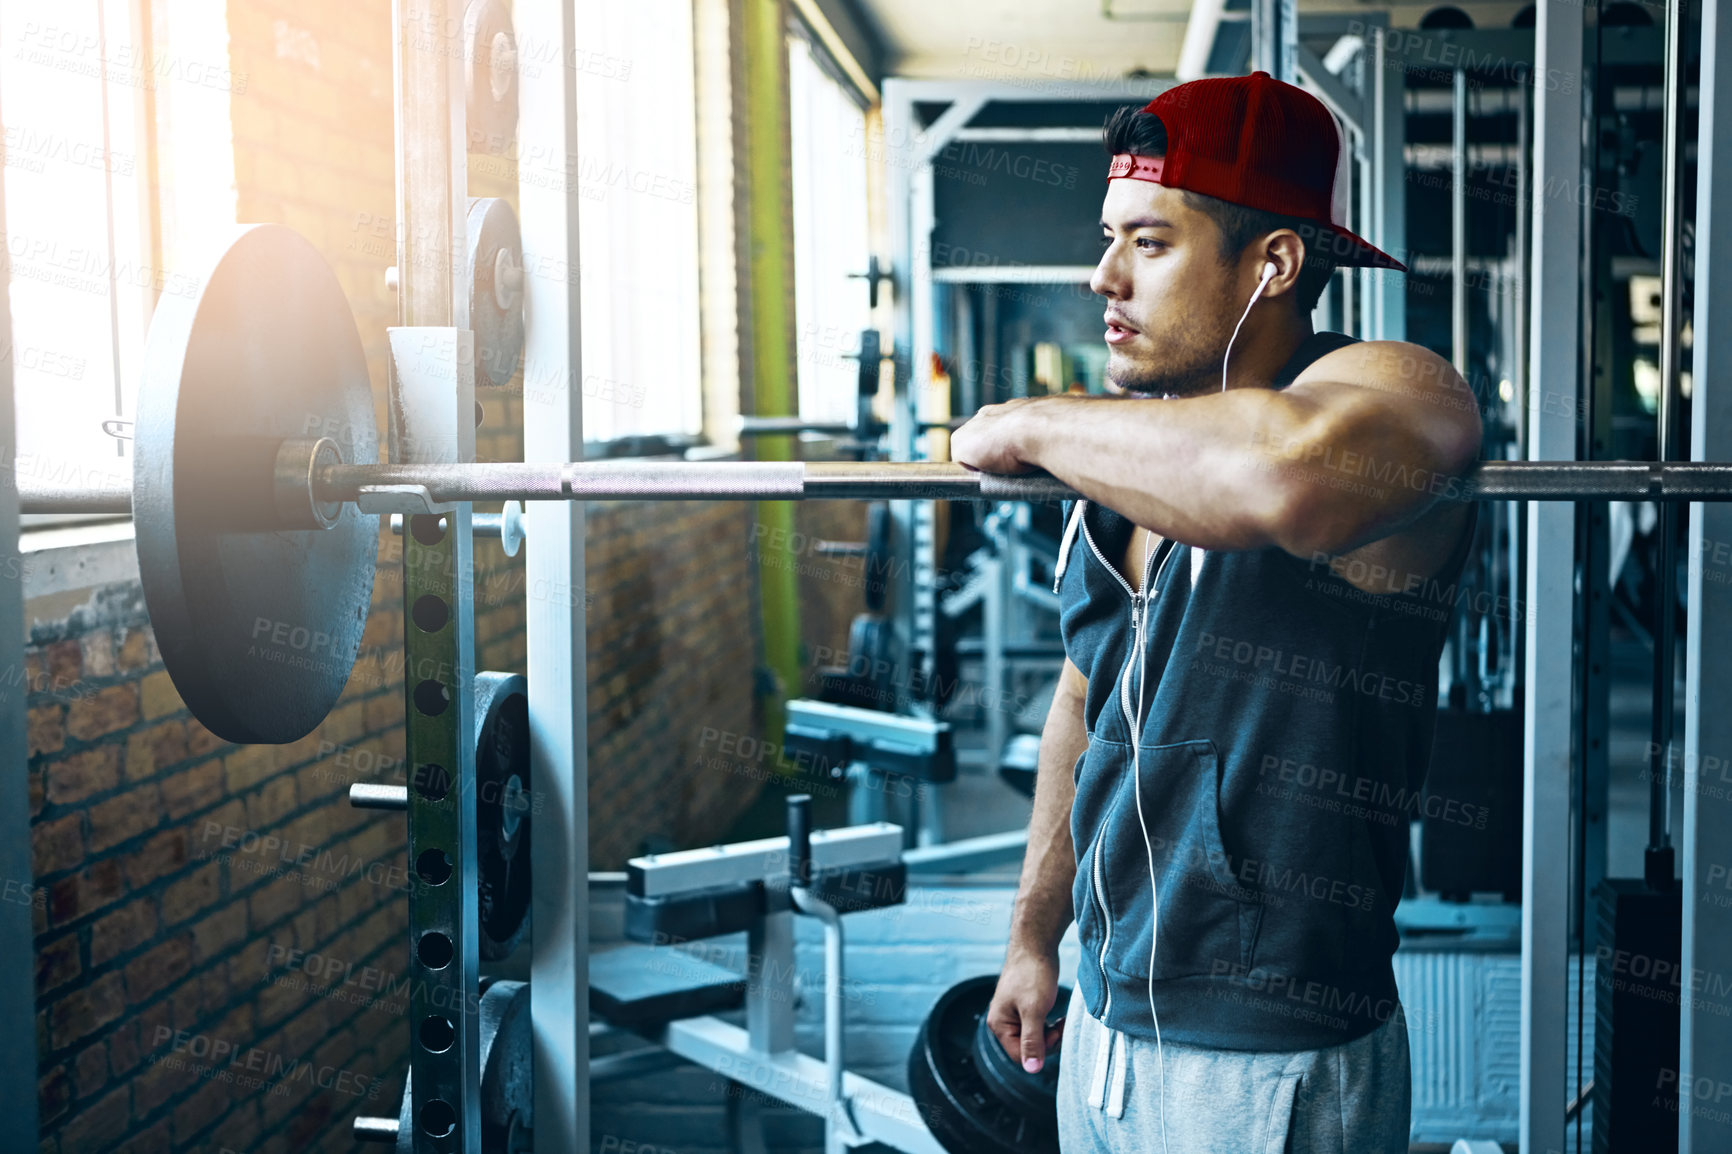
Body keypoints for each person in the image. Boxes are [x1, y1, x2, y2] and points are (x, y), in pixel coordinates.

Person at [950, 71, 1483, 1153]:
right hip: (1100, 1018)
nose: (1103, 277)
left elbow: (1280, 479)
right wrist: (1033, 936)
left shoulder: (1400, 389)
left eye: (1148, 243)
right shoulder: (1126, 453)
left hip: (1266, 1053)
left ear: (1274, 262)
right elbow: (1084, 698)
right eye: (1108, 239)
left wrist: (1026, 422)